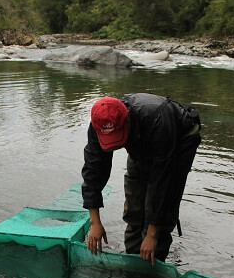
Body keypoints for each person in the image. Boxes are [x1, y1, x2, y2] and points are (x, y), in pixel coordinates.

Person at [81, 93, 201, 265]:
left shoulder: (157, 120)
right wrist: (95, 222)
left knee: (165, 201)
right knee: (134, 201)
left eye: (117, 138)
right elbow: (93, 170)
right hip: (141, 139)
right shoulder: (98, 123)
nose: (114, 146)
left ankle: (154, 261)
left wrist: (152, 234)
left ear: (126, 121)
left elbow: (161, 183)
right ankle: (134, 258)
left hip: (179, 135)